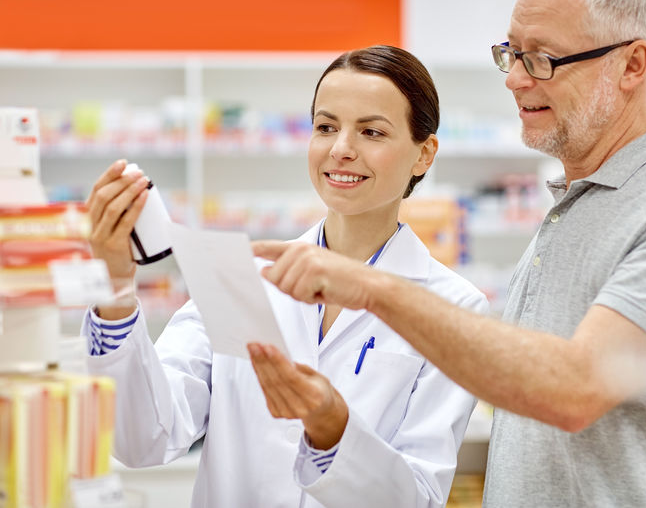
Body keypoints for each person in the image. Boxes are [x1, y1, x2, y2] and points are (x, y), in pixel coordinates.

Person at [252, 0, 646, 507]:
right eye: (512, 54)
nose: (515, 80)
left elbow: (576, 388)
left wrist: (372, 288)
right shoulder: (571, 209)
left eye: (542, 59)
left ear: (632, 65)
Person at [82, 45, 488, 508]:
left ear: (424, 154)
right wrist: (115, 289)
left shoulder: (455, 308)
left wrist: (333, 429)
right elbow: (143, 439)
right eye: (326, 127)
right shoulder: (242, 278)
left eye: (371, 131)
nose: (341, 149)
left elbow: (418, 498)